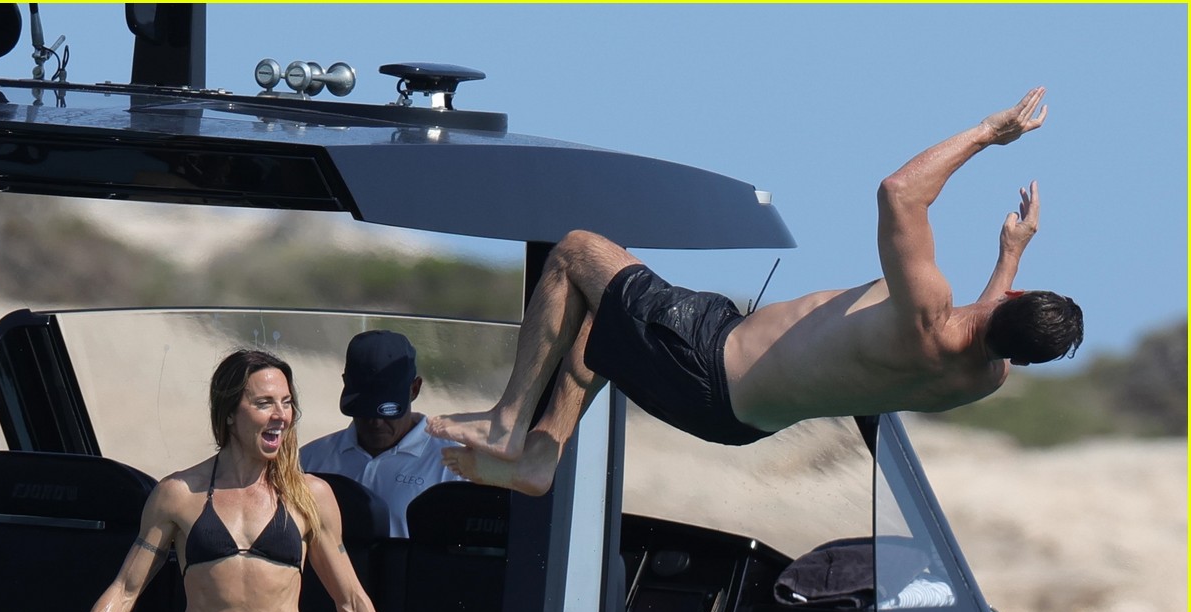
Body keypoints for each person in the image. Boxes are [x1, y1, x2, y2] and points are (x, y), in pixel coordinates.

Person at [428, 87, 1083, 495]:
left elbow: (900, 192)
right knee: (601, 323)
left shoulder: (927, 311)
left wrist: (987, 134)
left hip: (708, 359)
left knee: (577, 252)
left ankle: (509, 423)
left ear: (1015, 303)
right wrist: (1010, 254)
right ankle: (542, 456)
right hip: (740, 423)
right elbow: (989, 331)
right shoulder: (979, 380)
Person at [20, 349, 435, 612]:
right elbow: (126, 589)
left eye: (286, 403)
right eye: (265, 403)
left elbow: (352, 603)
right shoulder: (178, 494)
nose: (280, 415)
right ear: (231, 413)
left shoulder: (310, 497)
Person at [300, 330, 462, 538]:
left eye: (387, 410)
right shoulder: (308, 461)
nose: (375, 422)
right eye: (365, 408)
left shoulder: (454, 469)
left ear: (414, 389)